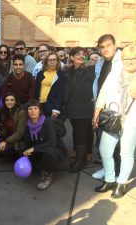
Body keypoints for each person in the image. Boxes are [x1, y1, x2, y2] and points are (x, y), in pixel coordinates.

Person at [92, 45, 136, 198]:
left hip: (132, 119)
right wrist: (96, 113)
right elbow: (102, 94)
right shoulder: (115, 73)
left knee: (126, 153)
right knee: (105, 149)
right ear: (122, 59)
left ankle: (121, 183)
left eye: (133, 58)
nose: (129, 61)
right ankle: (110, 179)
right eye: (126, 58)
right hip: (113, 117)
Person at [91, 34, 123, 180]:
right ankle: (106, 169)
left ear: (115, 45)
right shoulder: (100, 63)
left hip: (118, 108)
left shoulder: (123, 60)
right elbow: (98, 83)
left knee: (117, 145)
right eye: (102, 47)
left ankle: (117, 173)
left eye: (108, 45)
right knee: (102, 142)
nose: (105, 49)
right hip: (101, 106)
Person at [64, 47, 95, 173]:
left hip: (86, 106)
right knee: (81, 132)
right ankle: (83, 155)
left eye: (83, 54)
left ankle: (80, 161)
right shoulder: (67, 71)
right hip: (72, 108)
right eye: (77, 54)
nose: (81, 56)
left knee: (80, 133)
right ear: (71, 57)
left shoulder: (91, 69)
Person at [22, 100, 63, 190]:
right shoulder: (28, 124)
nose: (33, 111)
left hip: (53, 149)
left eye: (35, 108)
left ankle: (47, 175)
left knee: (48, 153)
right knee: (26, 156)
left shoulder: (47, 122)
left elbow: (53, 142)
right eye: (30, 109)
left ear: (39, 110)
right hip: (39, 149)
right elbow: (26, 140)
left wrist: (33, 148)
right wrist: (25, 152)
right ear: (27, 112)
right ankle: (41, 166)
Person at [0, 92, 27, 157]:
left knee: (2, 150)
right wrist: (0, 133)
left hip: (20, 140)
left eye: (12, 100)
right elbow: (6, 128)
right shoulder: (5, 111)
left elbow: (20, 133)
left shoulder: (21, 112)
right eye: (7, 100)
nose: (9, 102)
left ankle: (17, 154)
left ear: (15, 101)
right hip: (10, 138)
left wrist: (6, 141)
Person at [35, 52, 65, 118]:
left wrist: (56, 109)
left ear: (57, 61)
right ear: (46, 61)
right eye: (50, 60)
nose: (52, 62)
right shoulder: (40, 74)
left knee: (51, 127)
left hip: (52, 106)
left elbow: (61, 93)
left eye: (54, 60)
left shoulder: (61, 74)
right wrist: (35, 105)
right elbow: (36, 91)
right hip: (40, 105)